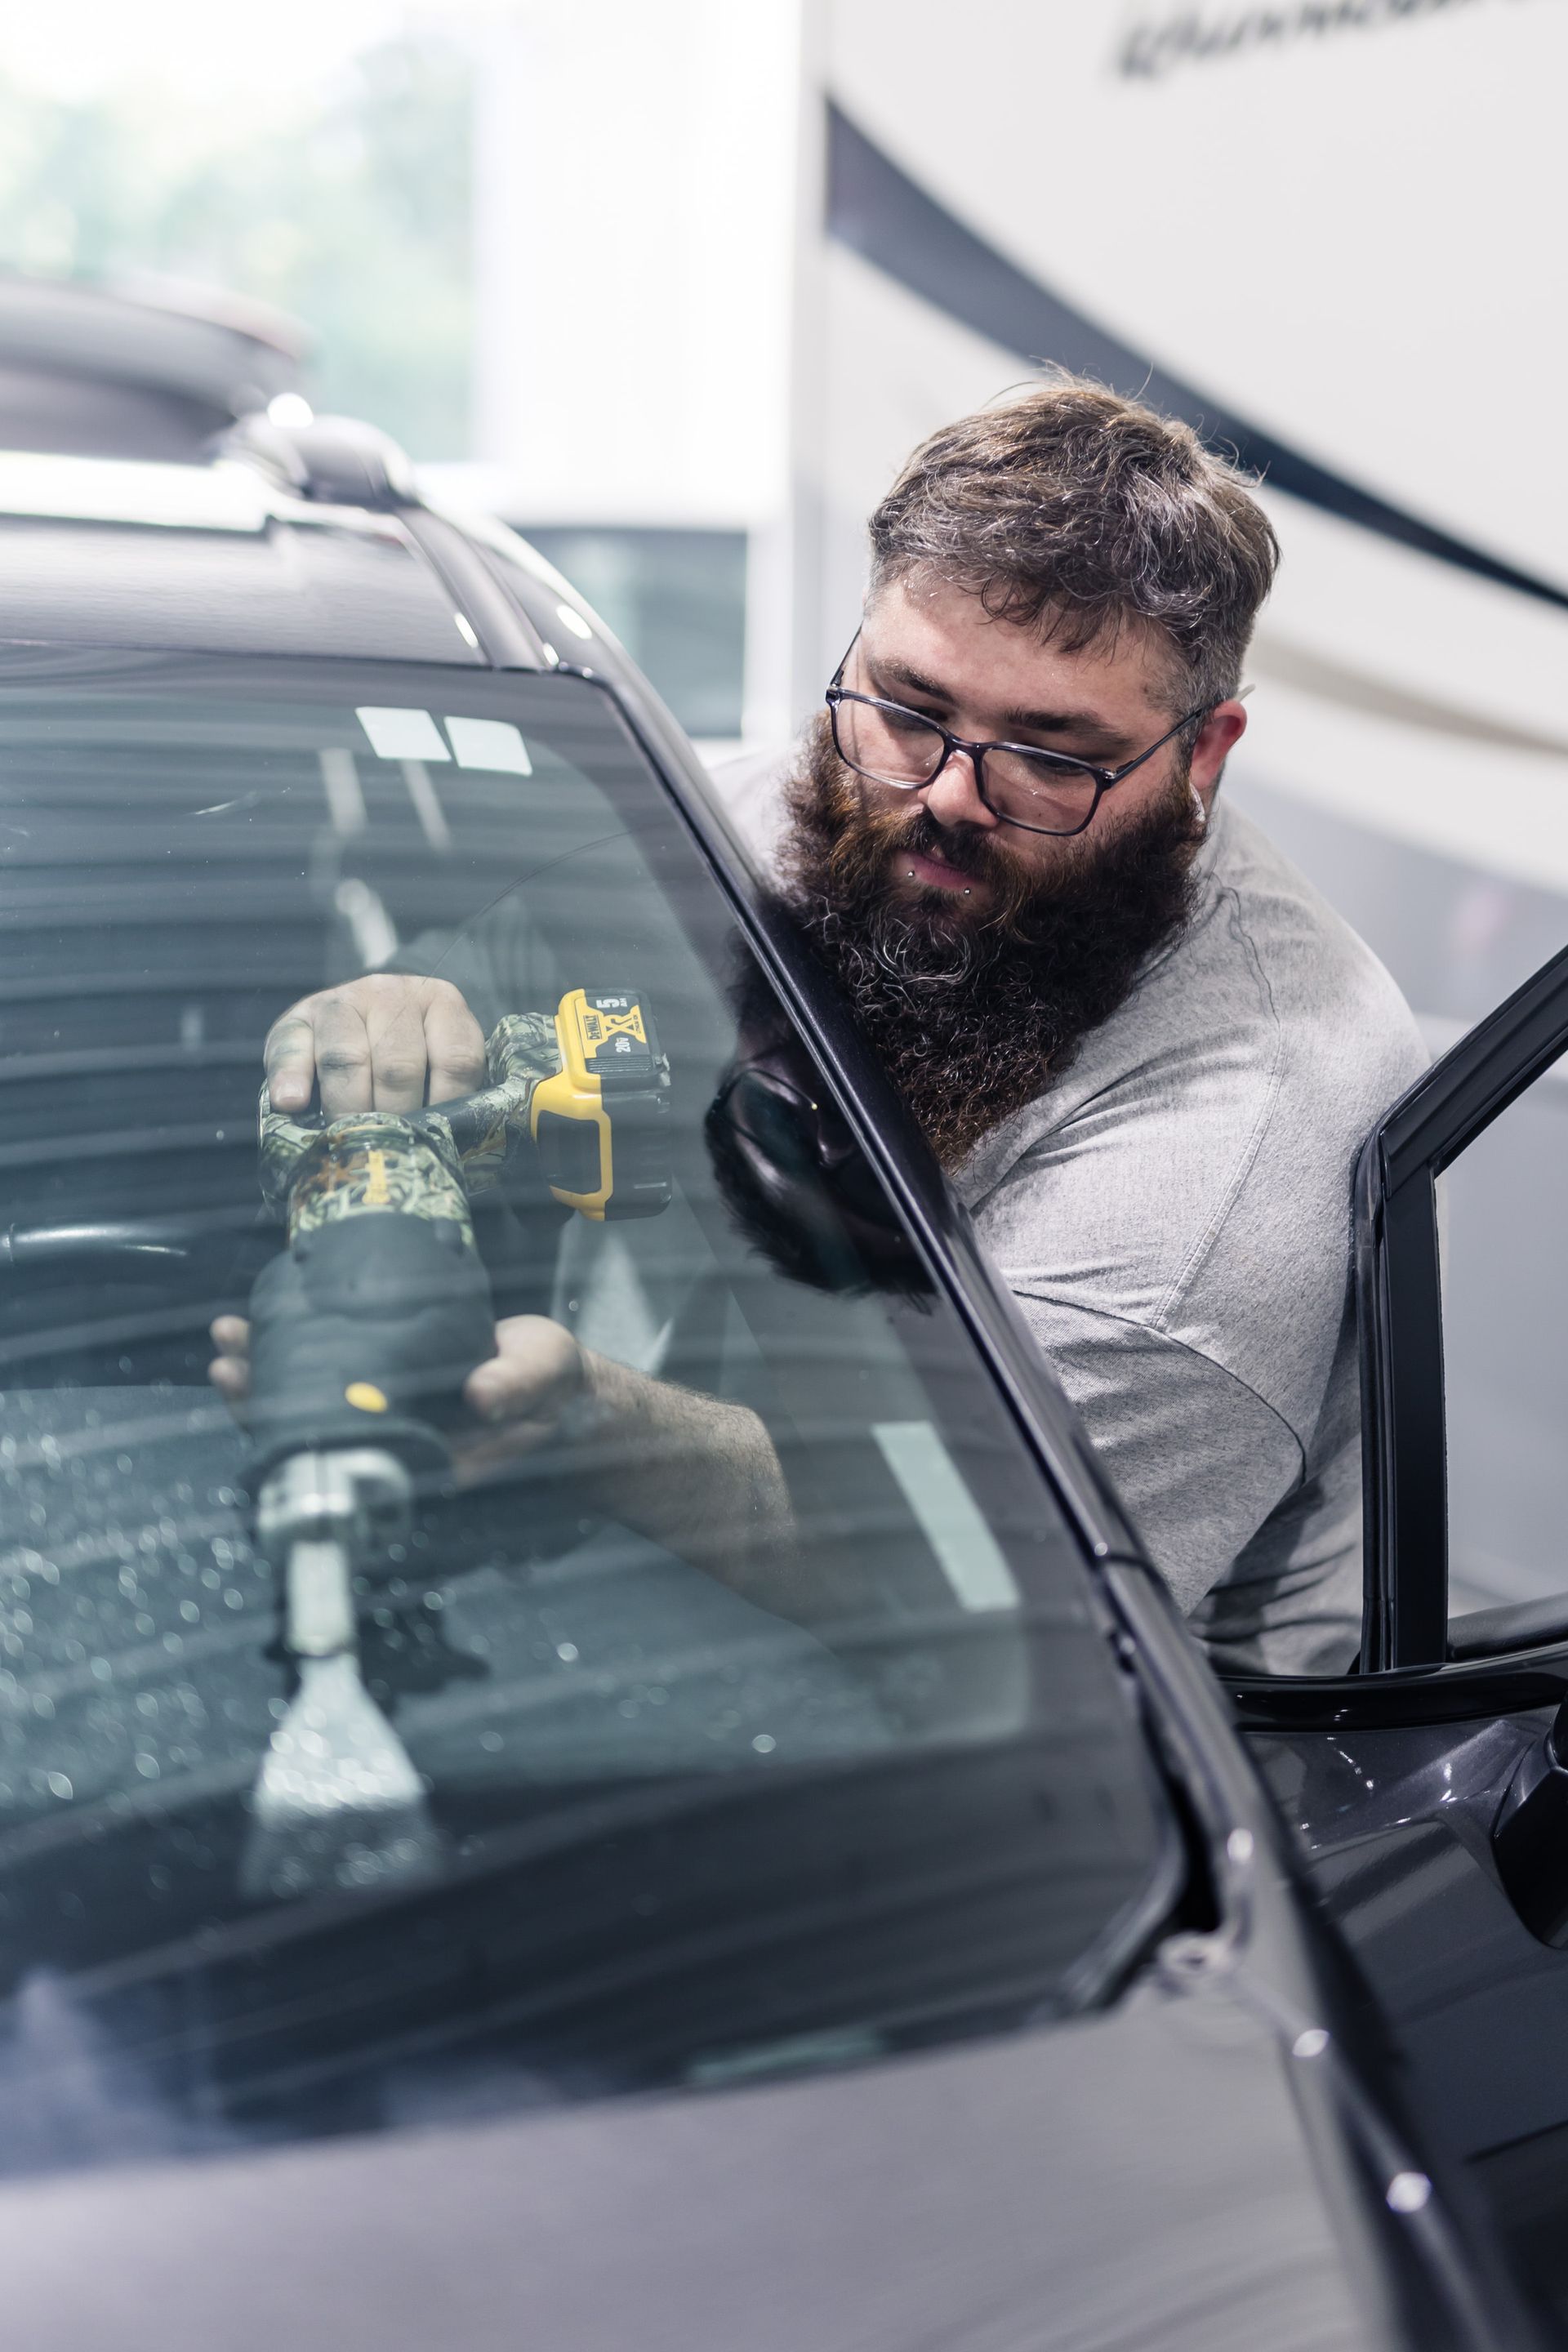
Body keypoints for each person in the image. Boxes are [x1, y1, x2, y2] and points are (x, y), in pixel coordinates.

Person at [215, 373, 1425, 1674]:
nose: (946, 798)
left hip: (1073, 1738)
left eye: (1050, 756)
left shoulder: (1233, 1141)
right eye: (910, 709)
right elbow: (506, 970)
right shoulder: (753, 825)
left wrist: (587, 1428)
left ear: (1202, 755)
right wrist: (405, 1007)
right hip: (636, 1614)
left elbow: (986, 1597)